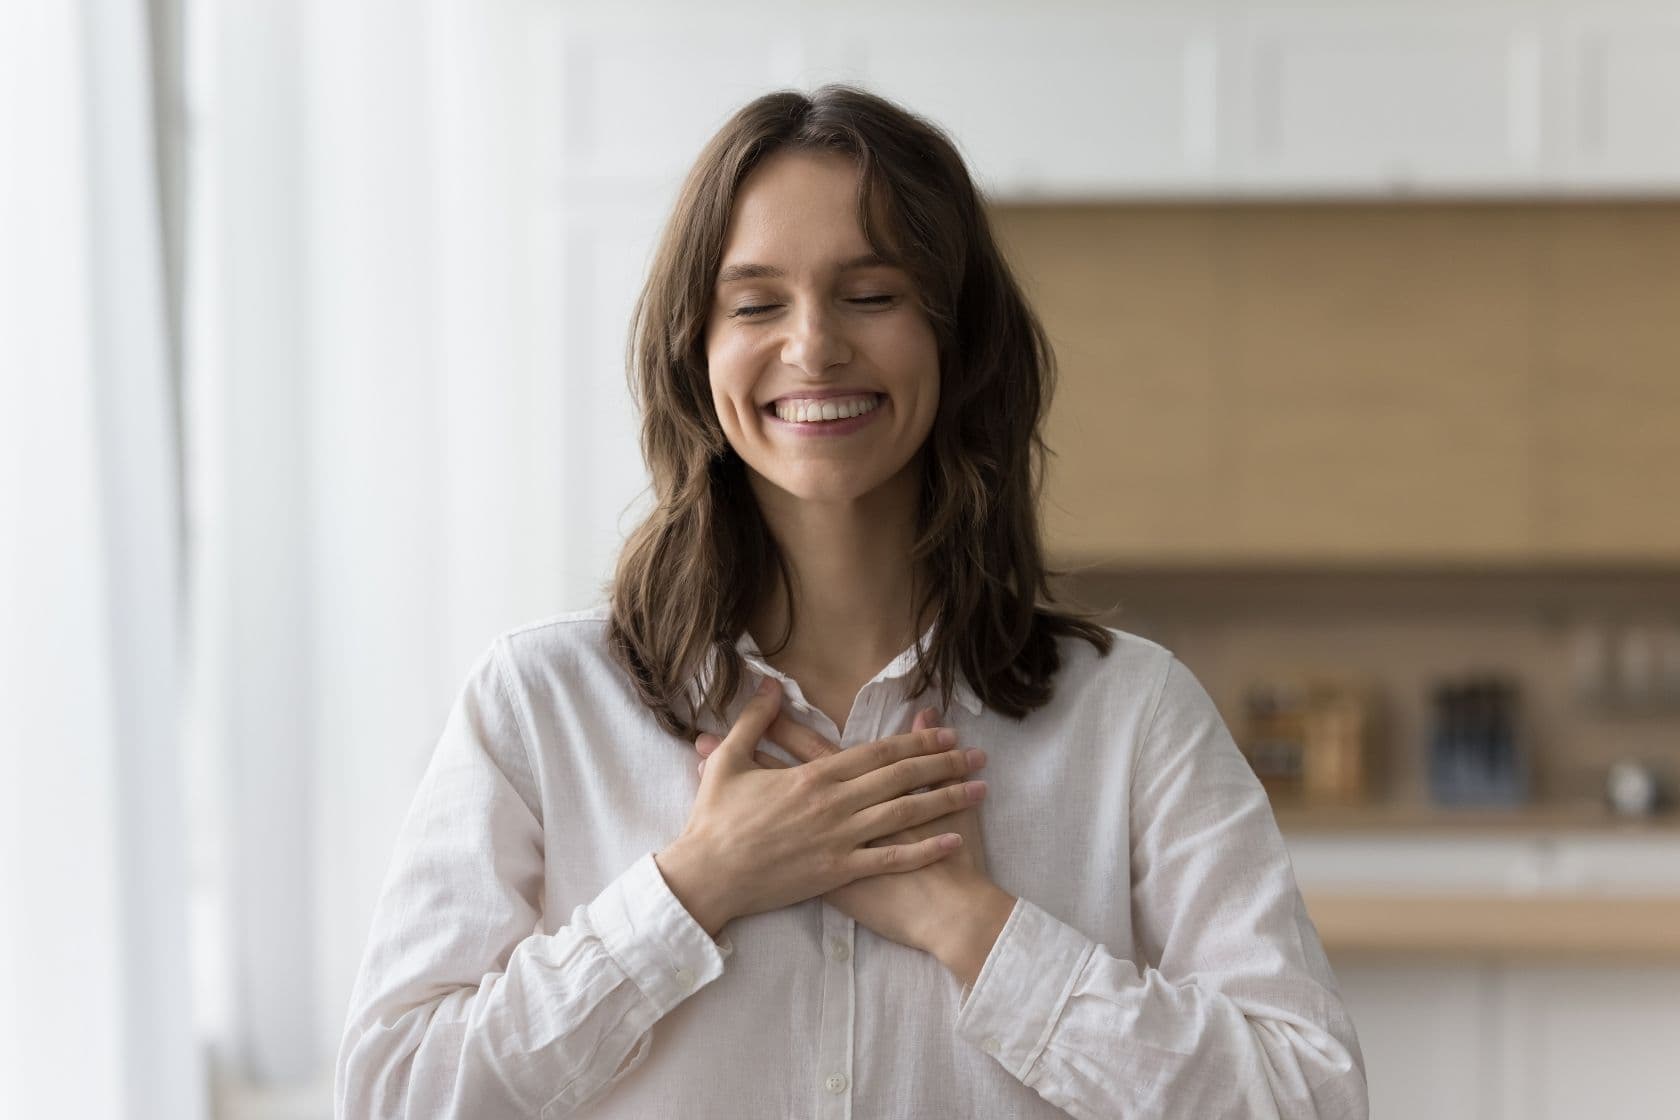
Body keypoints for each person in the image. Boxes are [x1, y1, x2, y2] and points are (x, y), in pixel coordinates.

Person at [334, 84, 1369, 1119]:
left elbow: (1311, 1098)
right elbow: (395, 1093)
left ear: (959, 339)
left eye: (872, 294)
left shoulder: (1134, 713)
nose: (814, 345)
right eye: (755, 304)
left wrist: (974, 928)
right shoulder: (538, 703)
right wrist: (695, 888)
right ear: (696, 351)